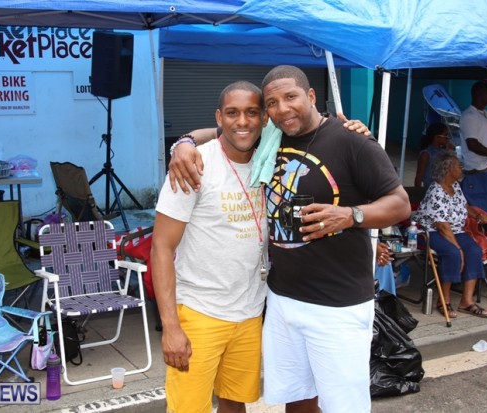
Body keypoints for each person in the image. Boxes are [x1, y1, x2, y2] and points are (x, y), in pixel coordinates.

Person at [169, 65, 411, 413]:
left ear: (311, 96)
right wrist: (184, 142)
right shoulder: (271, 137)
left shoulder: (352, 140)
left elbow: (400, 204)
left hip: (337, 305)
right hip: (282, 301)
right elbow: (227, 129)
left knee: (344, 406)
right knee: (296, 401)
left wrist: (351, 215)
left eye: (291, 97)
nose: (283, 109)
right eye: (272, 103)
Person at [151, 80, 268, 412]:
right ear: (219, 117)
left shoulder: (269, 159)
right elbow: (161, 248)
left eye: (251, 113)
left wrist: (358, 130)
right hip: (199, 312)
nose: (242, 121)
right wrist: (170, 327)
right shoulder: (194, 165)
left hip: (250, 311)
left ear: (264, 118)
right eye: (232, 113)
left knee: (235, 402)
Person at [414, 151, 487, 318]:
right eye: (458, 166)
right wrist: (459, 249)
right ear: (448, 169)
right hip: (432, 231)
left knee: (474, 250)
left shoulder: (455, 186)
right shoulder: (436, 191)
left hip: (455, 230)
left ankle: (466, 301)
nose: (461, 168)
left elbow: (464, 206)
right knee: (453, 253)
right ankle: (444, 300)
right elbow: (442, 226)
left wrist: (477, 215)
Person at [414, 122, 454, 189]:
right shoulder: (426, 154)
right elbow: (419, 175)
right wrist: (418, 191)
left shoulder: (444, 151)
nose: (448, 138)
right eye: (445, 135)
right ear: (437, 137)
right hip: (430, 189)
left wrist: (450, 151)